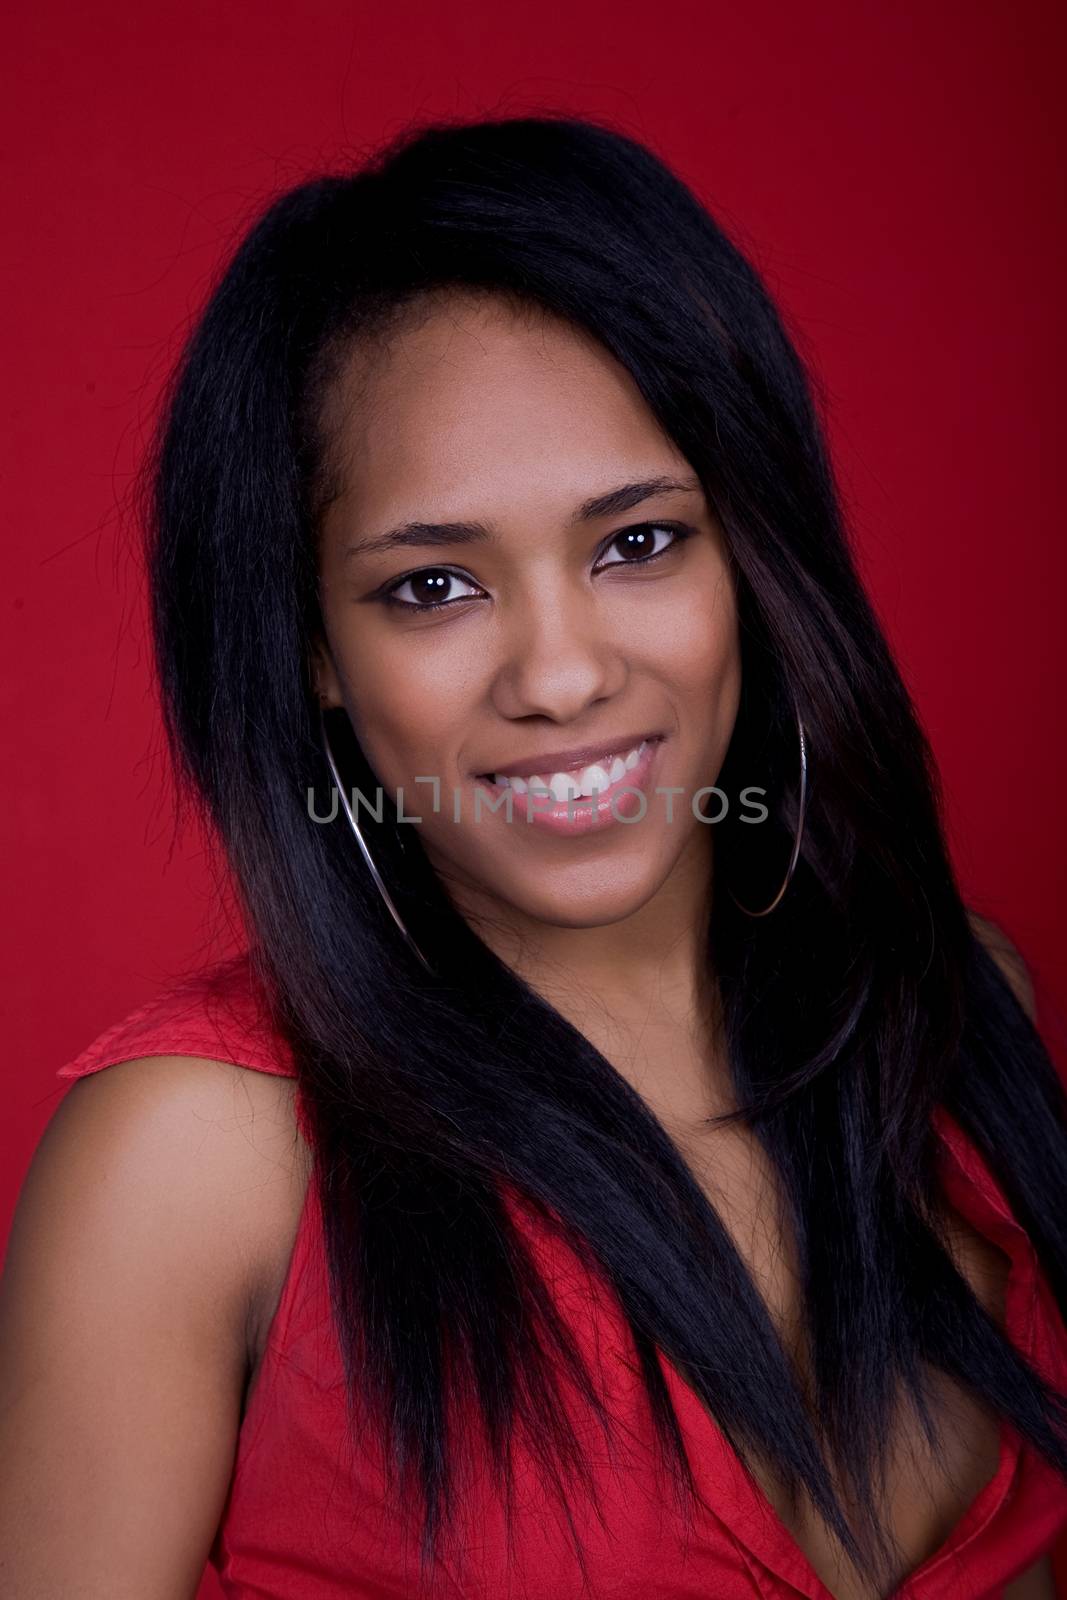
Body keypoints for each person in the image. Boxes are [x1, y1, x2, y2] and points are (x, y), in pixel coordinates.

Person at [2, 113, 1065, 1600]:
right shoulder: (199, 1162)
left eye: (638, 543)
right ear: (316, 647)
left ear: (750, 554)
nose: (560, 677)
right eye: (432, 585)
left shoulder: (953, 1008)